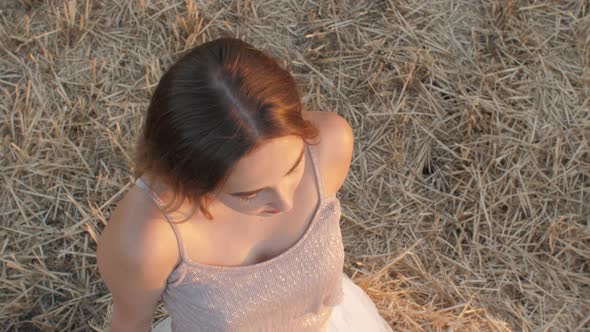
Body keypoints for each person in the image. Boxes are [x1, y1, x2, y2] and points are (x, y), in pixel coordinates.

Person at [96, 37, 392, 332]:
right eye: (249, 193)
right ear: (189, 179)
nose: (285, 202)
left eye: (293, 168)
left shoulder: (330, 144)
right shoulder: (146, 240)